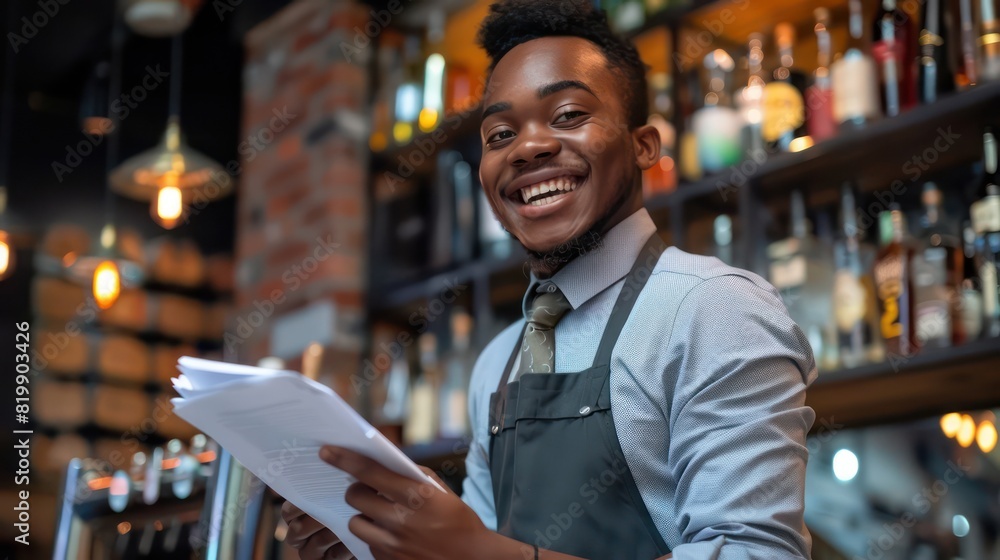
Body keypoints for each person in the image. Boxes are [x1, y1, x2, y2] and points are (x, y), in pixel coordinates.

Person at [282, 1, 817, 558]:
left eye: (567, 115)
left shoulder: (713, 309)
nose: (528, 147)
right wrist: (383, 541)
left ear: (644, 147)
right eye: (499, 134)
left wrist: (480, 553)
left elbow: (759, 553)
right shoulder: (496, 361)